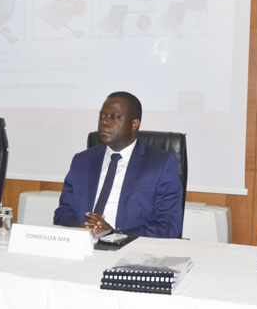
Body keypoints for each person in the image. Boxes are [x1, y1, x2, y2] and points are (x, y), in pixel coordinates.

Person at [53, 91, 183, 238]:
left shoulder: (160, 164)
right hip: (83, 244)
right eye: (102, 116)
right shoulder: (82, 161)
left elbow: (169, 225)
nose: (104, 122)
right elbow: (63, 213)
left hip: (131, 246)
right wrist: (80, 230)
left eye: (114, 117)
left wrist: (115, 235)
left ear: (134, 124)